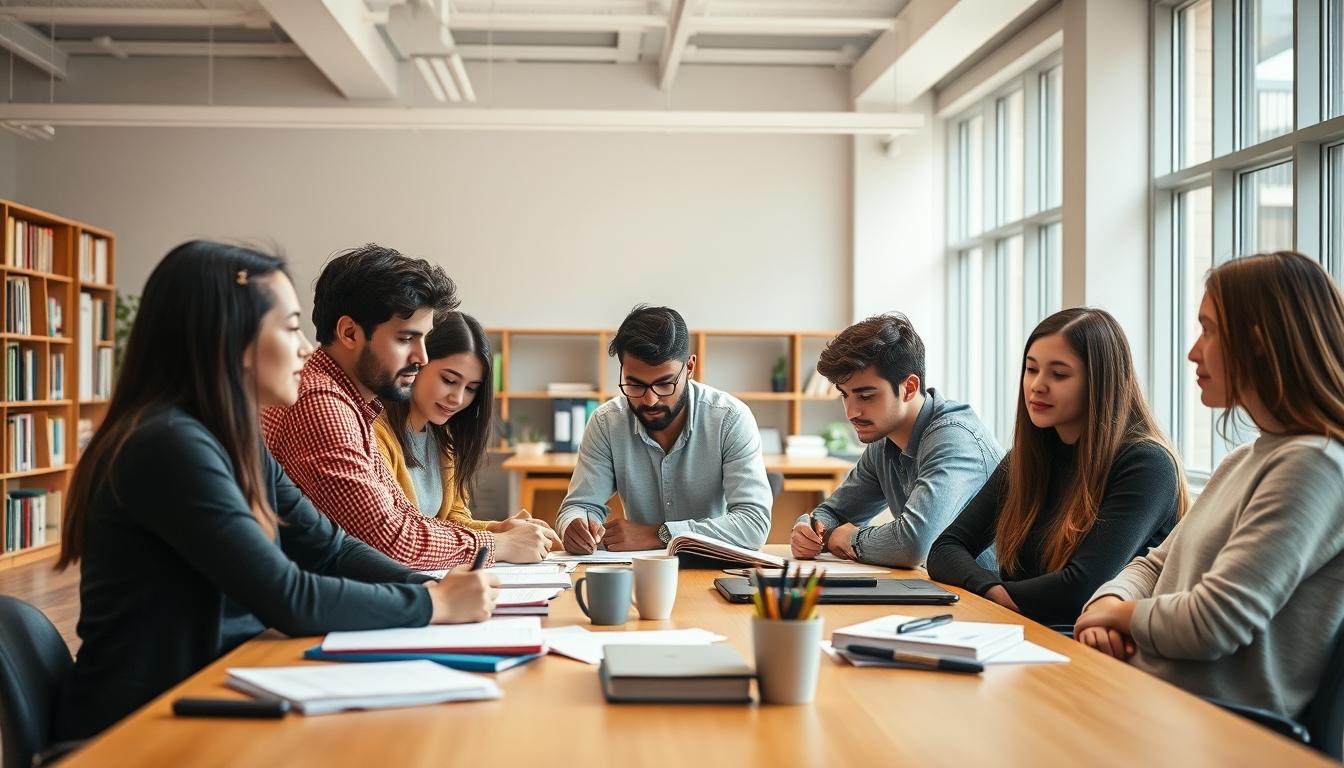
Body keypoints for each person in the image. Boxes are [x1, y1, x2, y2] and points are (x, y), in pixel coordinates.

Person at [54, 242, 498, 740]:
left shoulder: (226, 435)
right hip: (142, 728)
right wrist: (436, 606)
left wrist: (430, 588)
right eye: (290, 329)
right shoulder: (168, 444)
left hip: (210, 693)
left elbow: (328, 546)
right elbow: (286, 594)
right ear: (230, 337)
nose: (308, 348)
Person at [1077, 251, 1344, 721]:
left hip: (1209, 723)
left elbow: (1213, 621)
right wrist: (1110, 600)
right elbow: (1154, 566)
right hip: (1147, 695)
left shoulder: (1315, 466)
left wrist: (1118, 618)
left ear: (1259, 341)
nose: (1194, 351)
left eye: (1209, 329)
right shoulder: (1245, 458)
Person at [262, 245, 551, 568]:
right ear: (348, 333)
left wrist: (497, 534)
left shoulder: (354, 405)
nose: (421, 358)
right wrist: (497, 543)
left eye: (424, 341)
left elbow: (406, 518)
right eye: (405, 340)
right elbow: (393, 541)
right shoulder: (322, 404)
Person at [926, 307, 1185, 627]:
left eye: (1059, 374)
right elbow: (945, 549)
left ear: (1100, 383)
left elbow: (1080, 589)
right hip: (1028, 632)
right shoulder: (1027, 458)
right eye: (1031, 369)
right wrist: (990, 589)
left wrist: (996, 594)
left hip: (1095, 649)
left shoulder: (1147, 465)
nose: (1037, 385)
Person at [788, 313, 1001, 568]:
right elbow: (832, 514)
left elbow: (913, 545)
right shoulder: (883, 442)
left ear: (909, 388)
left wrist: (847, 538)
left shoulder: (954, 439)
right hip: (946, 591)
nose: (851, 412)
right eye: (845, 396)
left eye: (866, 396)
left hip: (996, 602)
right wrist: (809, 531)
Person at [557, 305, 773, 553]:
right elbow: (579, 506)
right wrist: (574, 524)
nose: (650, 400)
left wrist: (660, 534)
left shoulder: (730, 419)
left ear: (690, 368)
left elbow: (753, 524)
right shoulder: (606, 423)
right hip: (639, 571)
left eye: (664, 383)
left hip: (711, 569)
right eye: (635, 384)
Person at [374, 311, 558, 543]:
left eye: (471, 388)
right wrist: (497, 541)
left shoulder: (443, 438)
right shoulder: (374, 434)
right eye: (449, 380)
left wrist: (500, 529)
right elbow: (398, 535)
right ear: (417, 362)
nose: (458, 399)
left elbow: (454, 519)